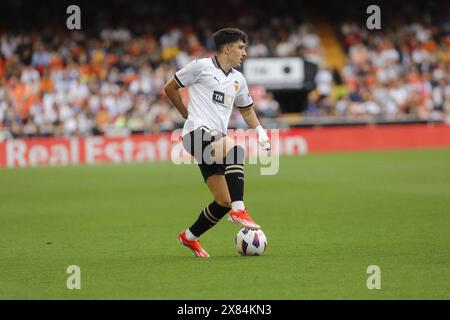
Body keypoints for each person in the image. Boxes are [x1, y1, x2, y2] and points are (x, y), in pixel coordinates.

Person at [164, 28, 271, 257]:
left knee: (223, 200)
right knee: (235, 150)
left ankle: (189, 237)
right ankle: (239, 210)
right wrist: (185, 113)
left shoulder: (238, 80)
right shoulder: (200, 67)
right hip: (195, 134)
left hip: (213, 141)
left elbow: (246, 109)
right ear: (227, 48)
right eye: (241, 48)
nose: (244, 53)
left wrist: (260, 130)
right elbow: (170, 87)